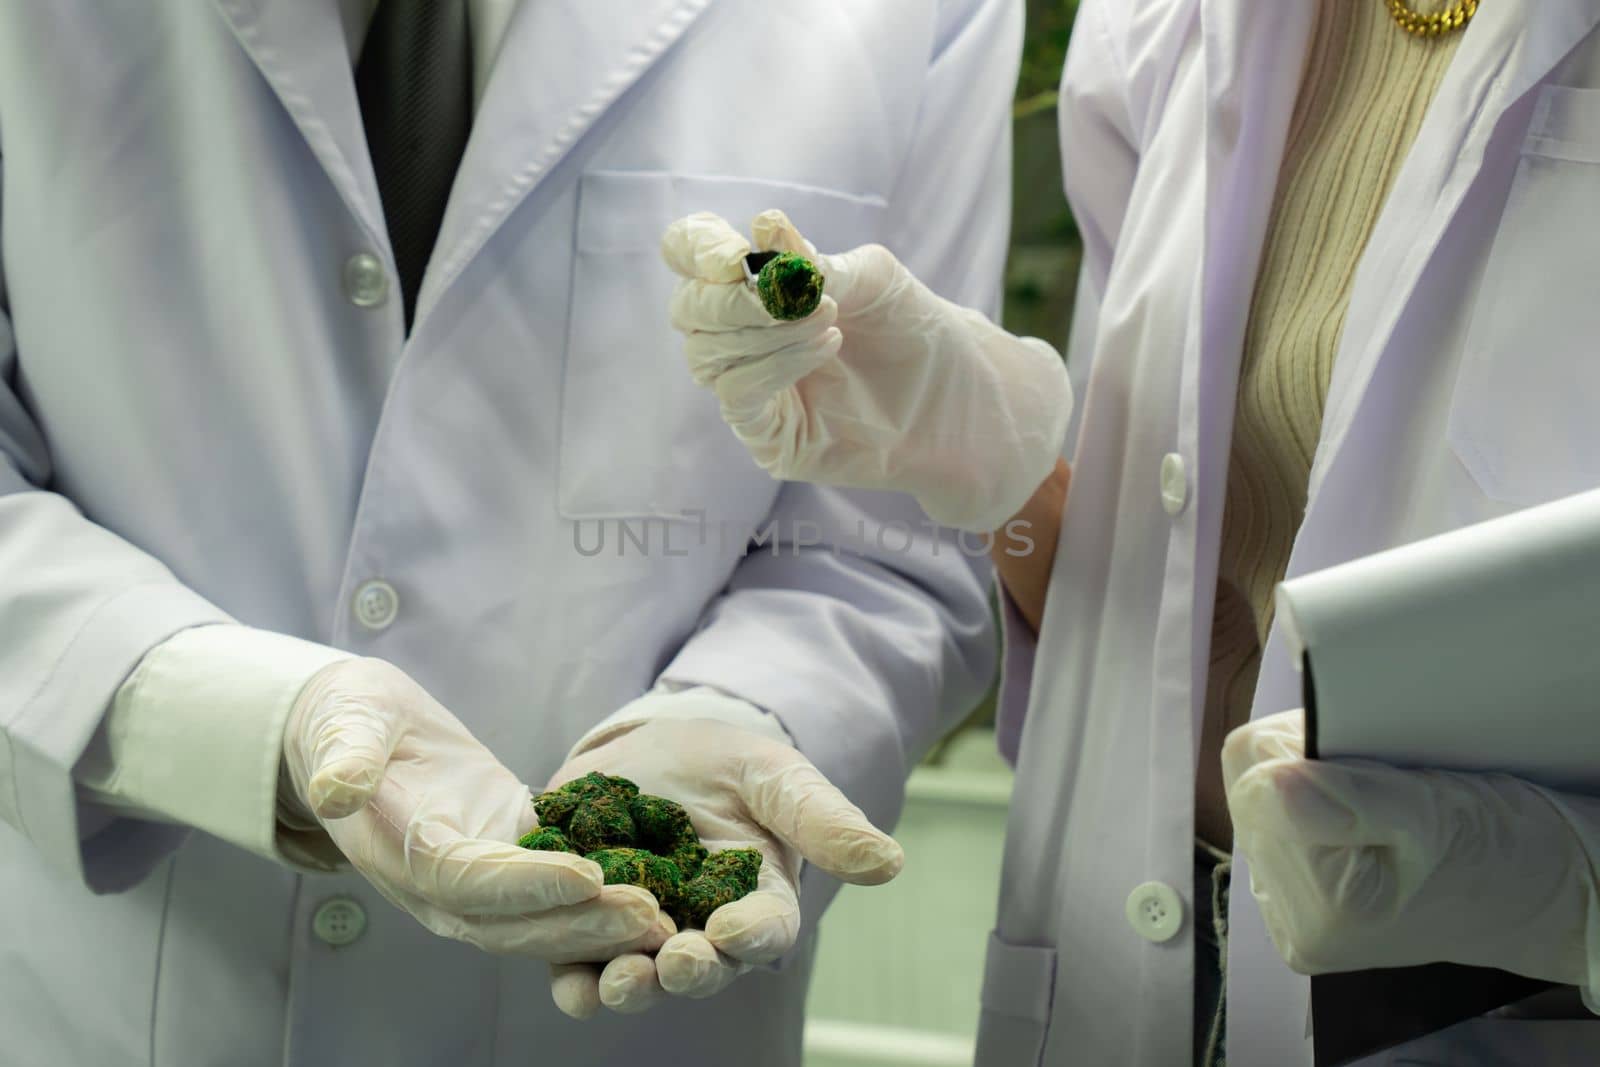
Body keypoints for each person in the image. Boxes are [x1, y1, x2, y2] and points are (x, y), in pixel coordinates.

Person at [0, 2, 1028, 1064]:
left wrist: (750, 711)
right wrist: (224, 714)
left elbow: (887, 533)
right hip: (108, 999)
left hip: (628, 1024)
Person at [664, 0, 1600, 1063]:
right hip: (1127, 971)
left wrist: (1564, 884)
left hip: (1483, 1015)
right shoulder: (1160, 25)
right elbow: (1150, 615)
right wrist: (992, 471)